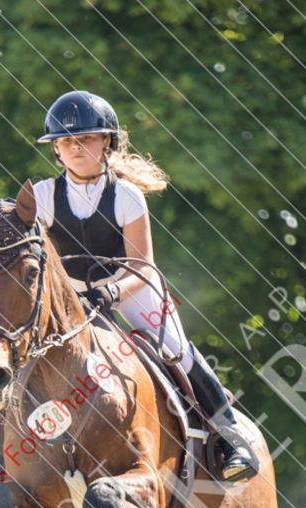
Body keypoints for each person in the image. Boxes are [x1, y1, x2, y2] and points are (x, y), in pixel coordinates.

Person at [33, 89, 256, 484]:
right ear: (55, 151)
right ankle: (5, 462)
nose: (75, 147)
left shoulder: (126, 195)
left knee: (174, 351)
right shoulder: (43, 196)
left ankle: (231, 437)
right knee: (21, 356)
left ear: (108, 142)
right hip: (71, 296)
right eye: (66, 141)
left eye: (85, 138)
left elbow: (143, 267)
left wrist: (109, 294)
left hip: (130, 290)